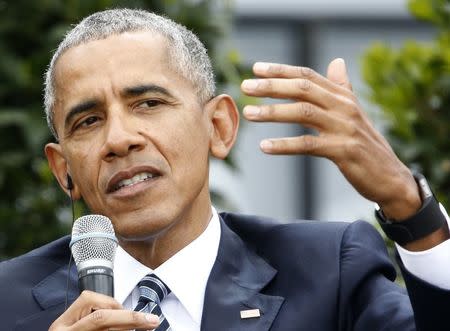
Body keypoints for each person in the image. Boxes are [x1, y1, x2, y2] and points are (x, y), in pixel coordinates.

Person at [1, 8, 449, 331]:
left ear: (218, 126)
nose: (119, 139)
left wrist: (409, 206)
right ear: (63, 170)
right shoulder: (7, 303)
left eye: (149, 104)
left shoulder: (328, 272)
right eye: (89, 121)